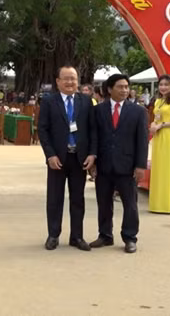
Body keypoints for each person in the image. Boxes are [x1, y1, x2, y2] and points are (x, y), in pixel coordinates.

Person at [38, 66, 97, 251]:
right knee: (55, 198)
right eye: (66, 78)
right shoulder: (49, 102)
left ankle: (77, 237)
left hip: (79, 158)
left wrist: (92, 154)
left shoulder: (86, 102)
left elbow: (93, 130)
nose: (70, 82)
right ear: (58, 81)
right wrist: (50, 155)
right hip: (58, 158)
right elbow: (43, 130)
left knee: (78, 199)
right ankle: (53, 235)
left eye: (73, 78)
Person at [90, 74, 148, 254]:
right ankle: (105, 235)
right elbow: (94, 137)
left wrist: (140, 165)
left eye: (126, 87)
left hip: (128, 165)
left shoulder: (138, 112)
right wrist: (93, 162)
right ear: (109, 89)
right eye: (120, 87)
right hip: (104, 164)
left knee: (130, 204)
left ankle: (130, 237)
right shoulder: (98, 110)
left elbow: (142, 140)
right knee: (104, 202)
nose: (124, 90)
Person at [149, 74, 170, 214]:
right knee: (158, 168)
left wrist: (162, 125)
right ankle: (157, 204)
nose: (163, 87)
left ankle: (169, 205)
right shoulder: (158, 101)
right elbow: (155, 118)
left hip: (169, 136)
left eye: (166, 85)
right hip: (157, 137)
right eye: (161, 84)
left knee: (168, 169)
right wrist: (153, 125)